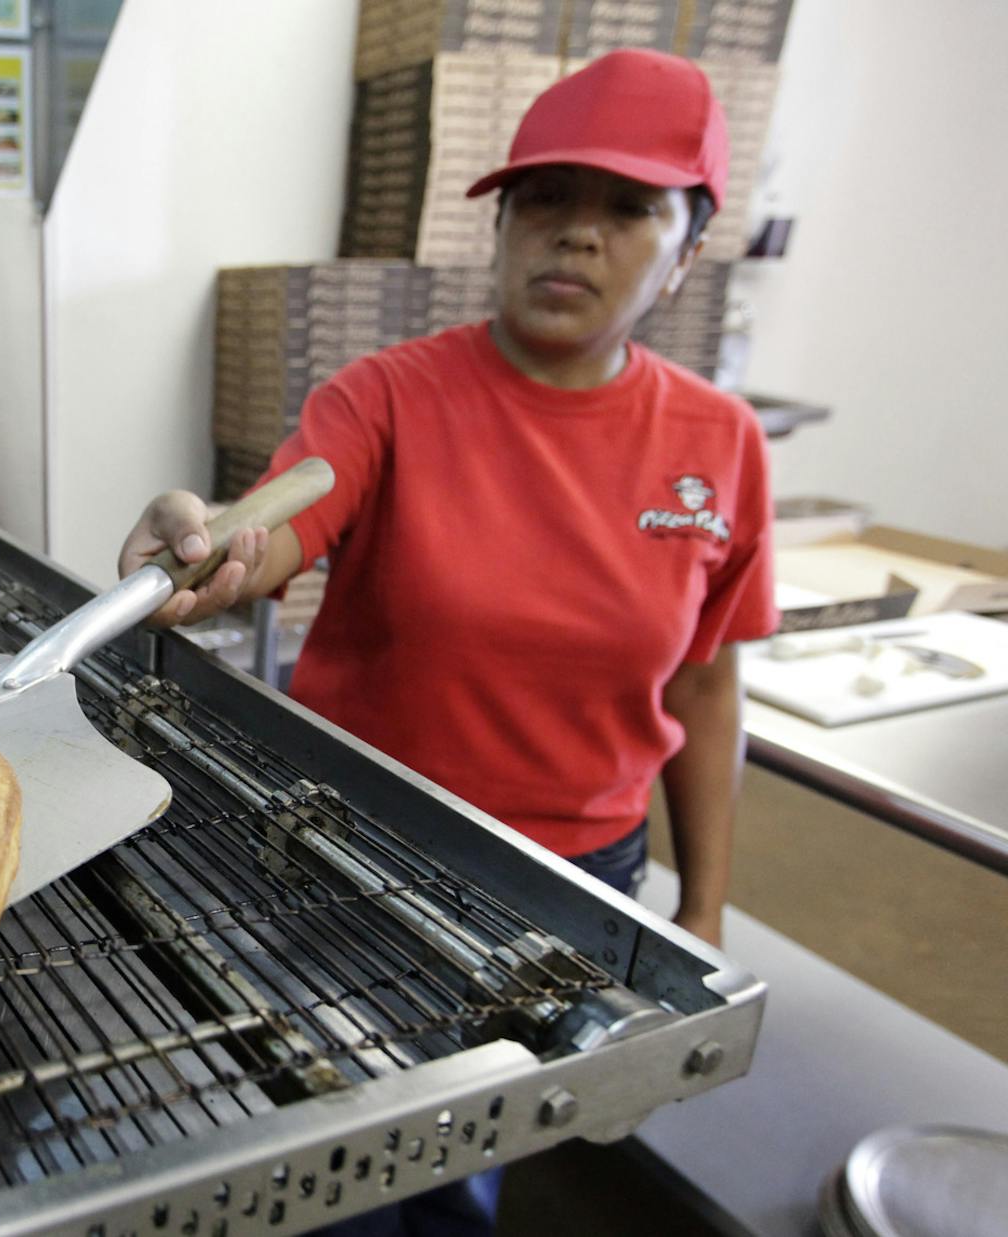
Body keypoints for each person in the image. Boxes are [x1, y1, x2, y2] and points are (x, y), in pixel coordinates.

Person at [117, 49, 781, 1234]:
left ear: (687, 253)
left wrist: (708, 905)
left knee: (469, 1161)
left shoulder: (720, 445)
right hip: (357, 864)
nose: (574, 236)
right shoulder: (388, 398)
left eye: (629, 209)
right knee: (333, 1172)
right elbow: (274, 531)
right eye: (546, 199)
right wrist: (204, 548)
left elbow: (708, 678)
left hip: (582, 886)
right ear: (503, 225)